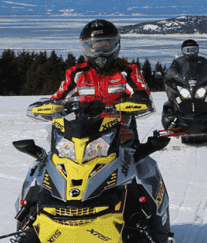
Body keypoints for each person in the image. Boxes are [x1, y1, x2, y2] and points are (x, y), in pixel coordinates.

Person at [50, 19, 153, 148]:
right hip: (82, 135)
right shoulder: (77, 73)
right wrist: (50, 106)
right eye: (94, 47)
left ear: (115, 44)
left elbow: (140, 89)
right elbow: (60, 96)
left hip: (121, 135)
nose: (99, 52)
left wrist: (140, 97)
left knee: (137, 163)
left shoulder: (127, 70)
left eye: (105, 46)